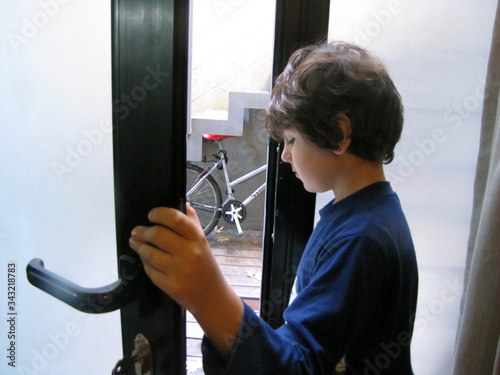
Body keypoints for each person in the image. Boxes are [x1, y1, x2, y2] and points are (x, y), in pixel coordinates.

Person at [129, 41, 418, 374]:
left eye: (292, 140)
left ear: (339, 134)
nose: (284, 155)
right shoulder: (364, 215)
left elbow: (302, 367)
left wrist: (208, 296)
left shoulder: (362, 239)